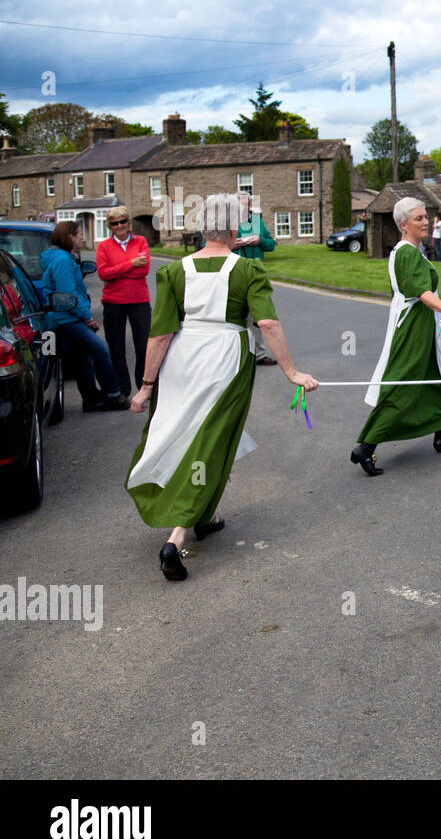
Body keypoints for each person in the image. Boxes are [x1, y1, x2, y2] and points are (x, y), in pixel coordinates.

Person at [125, 194, 318, 581]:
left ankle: (207, 514)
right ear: (234, 230)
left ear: (201, 229)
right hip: (225, 361)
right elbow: (267, 324)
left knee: (188, 435)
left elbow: (160, 333)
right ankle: (176, 538)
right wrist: (291, 372)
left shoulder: (174, 271)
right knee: (210, 440)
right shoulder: (247, 272)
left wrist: (146, 386)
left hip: (181, 360)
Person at [352, 197, 441, 476]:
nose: (426, 221)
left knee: (433, 377)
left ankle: (440, 433)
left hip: (423, 324)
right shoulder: (405, 252)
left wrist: (440, 312)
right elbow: (421, 292)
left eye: (426, 217)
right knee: (402, 383)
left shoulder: (415, 251)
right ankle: (365, 448)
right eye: (419, 218)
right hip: (412, 328)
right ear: (403, 225)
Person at [41, 222, 129, 412]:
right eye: (80, 234)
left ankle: (91, 400)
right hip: (67, 318)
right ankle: (113, 394)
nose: (83, 237)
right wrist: (86, 316)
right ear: (70, 237)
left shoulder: (62, 258)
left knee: (83, 357)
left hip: (63, 317)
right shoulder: (63, 261)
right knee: (100, 351)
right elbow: (68, 294)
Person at [95, 206, 151, 395]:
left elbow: (143, 270)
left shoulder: (141, 241)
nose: (119, 226)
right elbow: (103, 274)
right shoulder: (103, 246)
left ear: (128, 222)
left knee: (143, 346)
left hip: (139, 300)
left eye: (123, 221)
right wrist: (131, 264)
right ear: (110, 226)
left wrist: (118, 270)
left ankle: (143, 386)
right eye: (114, 223)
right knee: (116, 348)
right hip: (113, 302)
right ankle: (123, 389)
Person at [231, 193, 277, 365]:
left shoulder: (256, 221)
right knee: (235, 316)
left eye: (247, 204)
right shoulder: (226, 223)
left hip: (255, 275)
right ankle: (236, 355)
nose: (245, 208)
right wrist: (232, 244)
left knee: (258, 317)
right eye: (241, 205)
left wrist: (259, 240)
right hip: (233, 274)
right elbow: (208, 247)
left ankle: (259, 354)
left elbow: (271, 244)